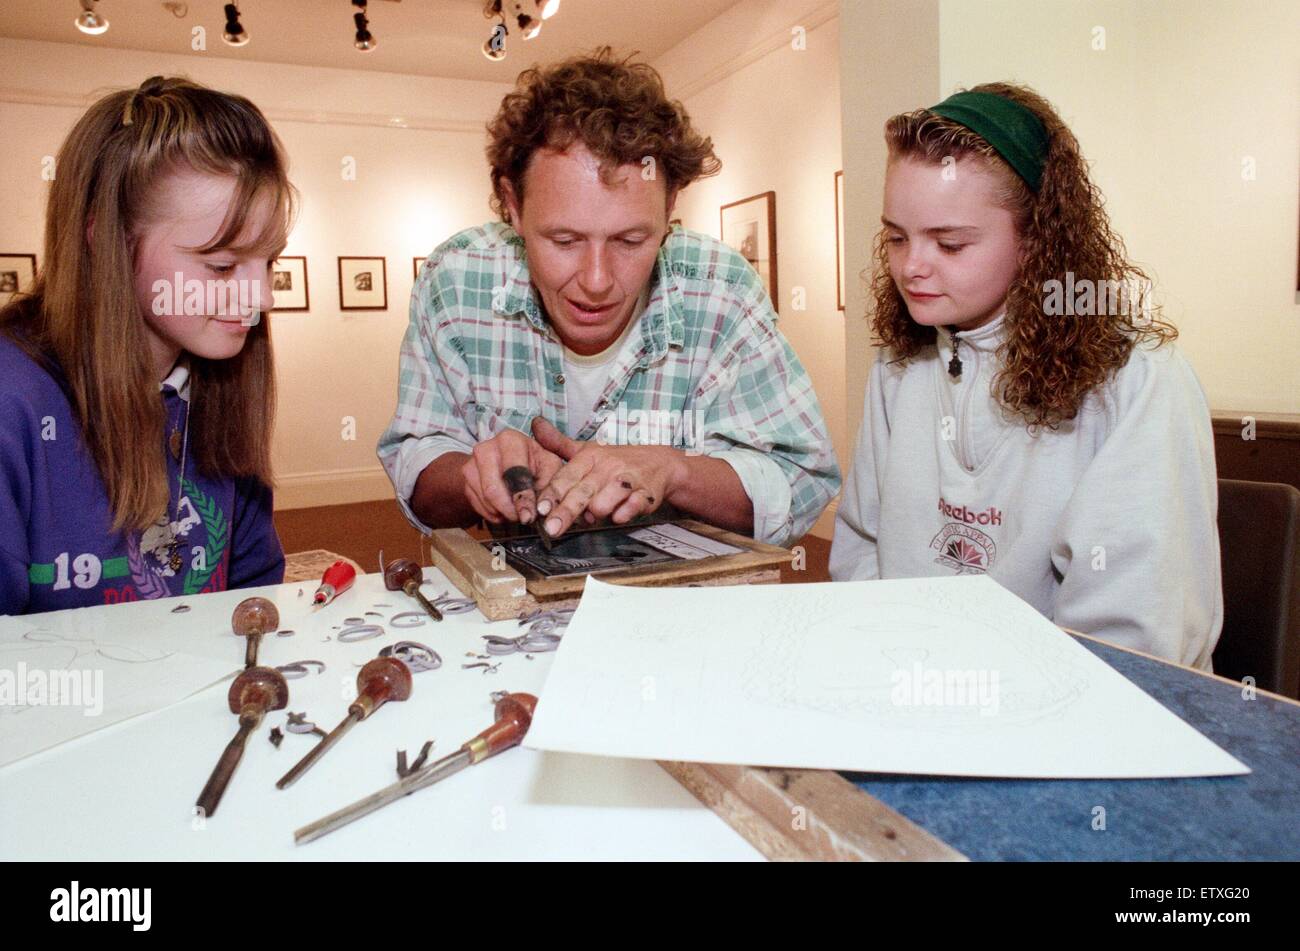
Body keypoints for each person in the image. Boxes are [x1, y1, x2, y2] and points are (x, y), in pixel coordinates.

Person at [378, 49, 839, 548]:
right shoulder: (455, 280)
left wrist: (673, 471)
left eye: (630, 241)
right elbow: (418, 472)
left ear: (670, 207)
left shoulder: (722, 287)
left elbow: (803, 483)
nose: (597, 280)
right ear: (512, 206)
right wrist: (476, 472)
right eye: (564, 241)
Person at [829, 82, 1222, 669]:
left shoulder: (1135, 378)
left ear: (1038, 238)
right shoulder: (898, 368)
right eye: (895, 237)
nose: (911, 266)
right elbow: (861, 551)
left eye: (951, 244)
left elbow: (1131, 641)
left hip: (1075, 718)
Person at [0, 76, 294, 615]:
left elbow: (254, 593)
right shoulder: (13, 400)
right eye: (223, 266)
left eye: (269, 261)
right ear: (105, 238)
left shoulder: (219, 385)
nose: (262, 300)